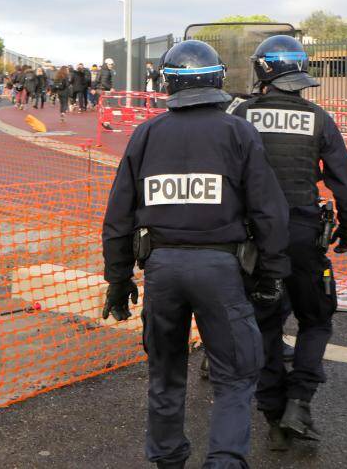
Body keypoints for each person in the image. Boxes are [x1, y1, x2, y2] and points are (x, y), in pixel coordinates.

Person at [102, 39, 290, 469]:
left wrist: (117, 278)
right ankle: (224, 461)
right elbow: (268, 209)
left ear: (168, 82)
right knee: (235, 374)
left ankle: (168, 459)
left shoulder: (146, 133)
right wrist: (272, 273)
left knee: (166, 374)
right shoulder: (237, 131)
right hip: (222, 270)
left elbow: (119, 214)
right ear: (218, 78)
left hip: (162, 270)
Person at [233, 35, 347, 449]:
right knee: (317, 319)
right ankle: (299, 402)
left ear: (262, 71)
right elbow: (345, 182)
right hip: (305, 237)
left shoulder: (241, 115)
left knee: (265, 326)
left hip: (254, 242)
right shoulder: (318, 118)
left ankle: (272, 415)